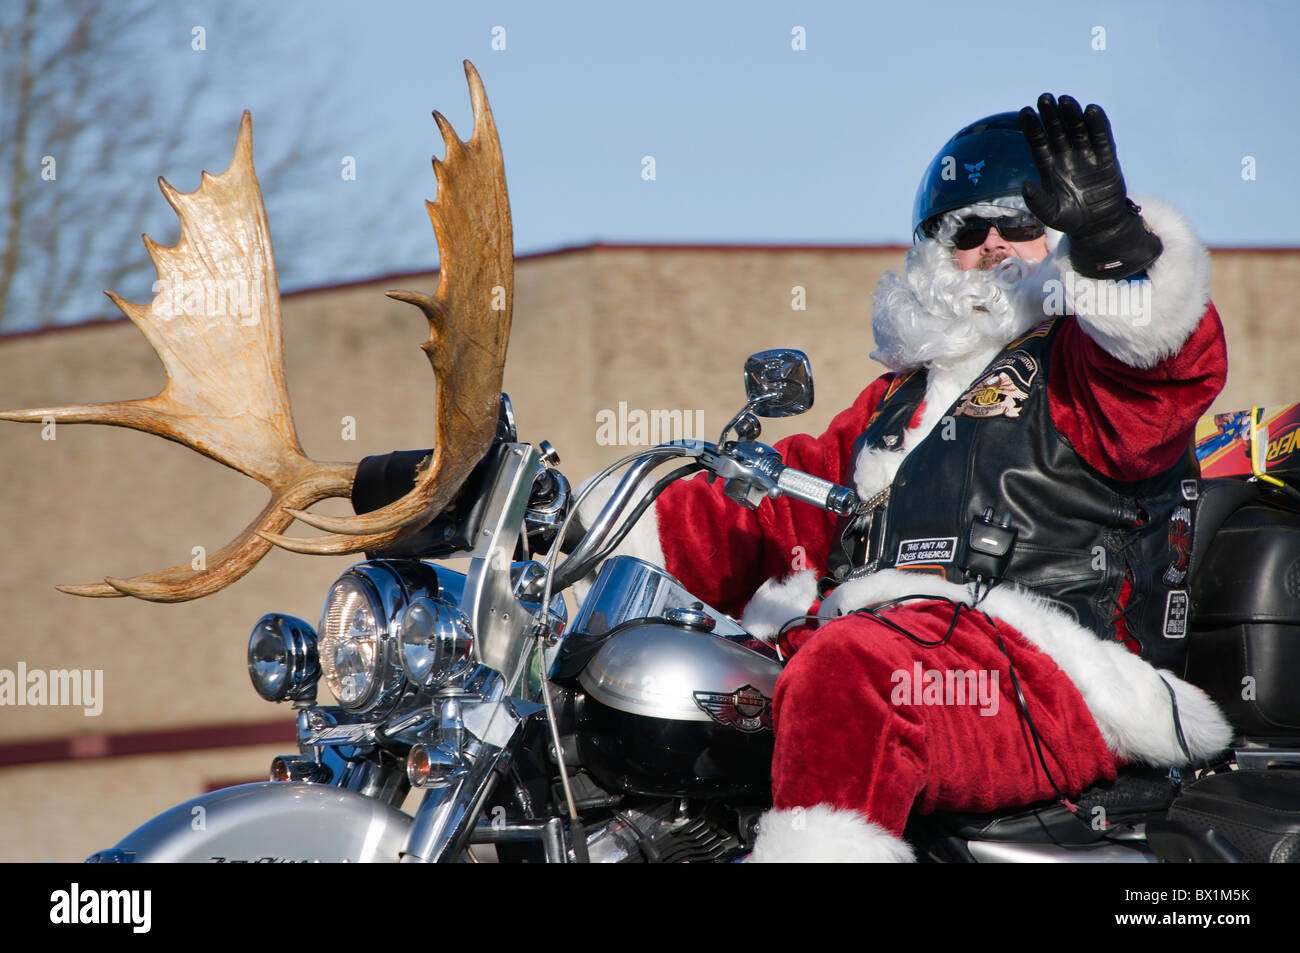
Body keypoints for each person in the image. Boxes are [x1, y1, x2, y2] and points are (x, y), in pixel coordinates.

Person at [591, 93, 1232, 861]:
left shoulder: (1083, 367)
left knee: (849, 675)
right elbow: (772, 500)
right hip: (890, 642)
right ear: (935, 251)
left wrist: (1113, 242)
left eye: (1021, 221)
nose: (994, 243)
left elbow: (1163, 372)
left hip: (1052, 670)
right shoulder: (897, 402)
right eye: (968, 228)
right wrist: (591, 527)